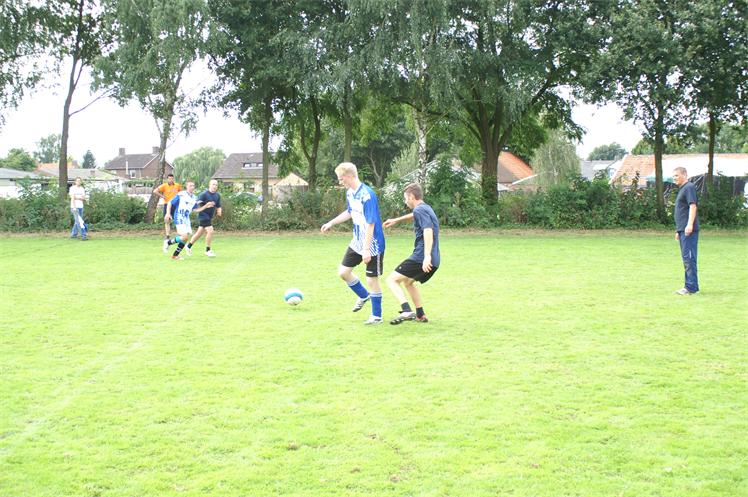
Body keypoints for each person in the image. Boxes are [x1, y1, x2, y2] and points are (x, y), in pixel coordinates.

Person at [321, 162, 386, 325]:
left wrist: (366, 250)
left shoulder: (367, 195)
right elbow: (350, 212)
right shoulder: (350, 193)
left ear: (350, 176)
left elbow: (371, 224)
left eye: (341, 178)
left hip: (373, 244)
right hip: (357, 240)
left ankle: (377, 316)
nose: (340, 182)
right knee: (343, 272)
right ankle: (364, 296)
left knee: (372, 279)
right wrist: (331, 223)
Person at [383, 183, 440, 324]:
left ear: (411, 197)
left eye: (405, 198)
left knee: (391, 280)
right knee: (408, 282)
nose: (405, 201)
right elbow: (414, 215)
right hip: (435, 259)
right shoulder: (425, 208)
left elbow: (428, 230)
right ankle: (420, 314)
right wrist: (396, 220)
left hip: (421, 257)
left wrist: (426, 256)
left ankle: (406, 310)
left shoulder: (420, 210)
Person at [164, 180, 214, 260]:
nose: (192, 187)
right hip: (179, 217)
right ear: (186, 186)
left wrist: (206, 206)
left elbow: (195, 210)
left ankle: (175, 255)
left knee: (185, 238)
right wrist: (168, 213)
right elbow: (170, 203)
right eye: (190, 185)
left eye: (193, 186)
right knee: (184, 236)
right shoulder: (181, 194)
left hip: (186, 219)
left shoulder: (194, 198)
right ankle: (169, 243)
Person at [672, 167, 699, 295]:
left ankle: (690, 287)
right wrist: (678, 230)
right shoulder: (682, 189)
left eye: (677, 175)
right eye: (673, 176)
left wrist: (689, 225)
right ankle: (690, 286)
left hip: (689, 230)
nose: (674, 178)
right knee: (686, 258)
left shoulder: (689, 187)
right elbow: (682, 211)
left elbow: (693, 206)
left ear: (684, 175)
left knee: (689, 258)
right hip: (682, 230)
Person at [185, 179, 222, 257]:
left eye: (216, 185)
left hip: (209, 216)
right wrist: (205, 205)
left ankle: (188, 246)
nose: (215, 186)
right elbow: (197, 204)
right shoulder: (204, 194)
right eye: (213, 184)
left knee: (199, 233)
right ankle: (208, 250)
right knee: (210, 231)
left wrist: (219, 211)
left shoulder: (217, 195)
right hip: (203, 215)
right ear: (209, 185)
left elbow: (218, 205)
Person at [154, 174, 182, 245]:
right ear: (167, 179)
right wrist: (162, 196)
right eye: (169, 179)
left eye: (172, 178)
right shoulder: (164, 186)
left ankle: (179, 234)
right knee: (167, 220)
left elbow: (181, 193)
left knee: (177, 220)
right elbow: (155, 191)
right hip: (167, 204)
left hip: (175, 205)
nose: (171, 180)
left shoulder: (177, 185)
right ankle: (167, 236)